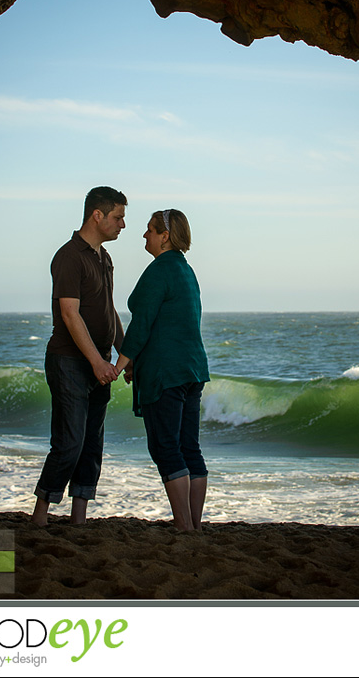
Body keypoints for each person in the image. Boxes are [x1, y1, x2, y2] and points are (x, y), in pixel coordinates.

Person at [31, 186, 128, 527]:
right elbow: (70, 314)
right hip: (70, 361)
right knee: (69, 443)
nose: (123, 225)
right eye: (118, 217)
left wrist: (125, 355)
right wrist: (97, 362)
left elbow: (108, 311)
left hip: (100, 362)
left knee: (91, 445)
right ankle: (40, 516)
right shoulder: (68, 256)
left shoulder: (104, 258)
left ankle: (79, 519)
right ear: (96, 215)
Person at [114, 209, 209, 531]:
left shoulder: (159, 270)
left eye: (149, 230)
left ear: (165, 236)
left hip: (166, 373)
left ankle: (183, 525)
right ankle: (194, 524)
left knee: (166, 447)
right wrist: (136, 363)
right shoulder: (186, 271)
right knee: (188, 447)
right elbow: (173, 325)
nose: (144, 235)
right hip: (192, 369)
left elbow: (141, 326)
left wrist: (120, 364)